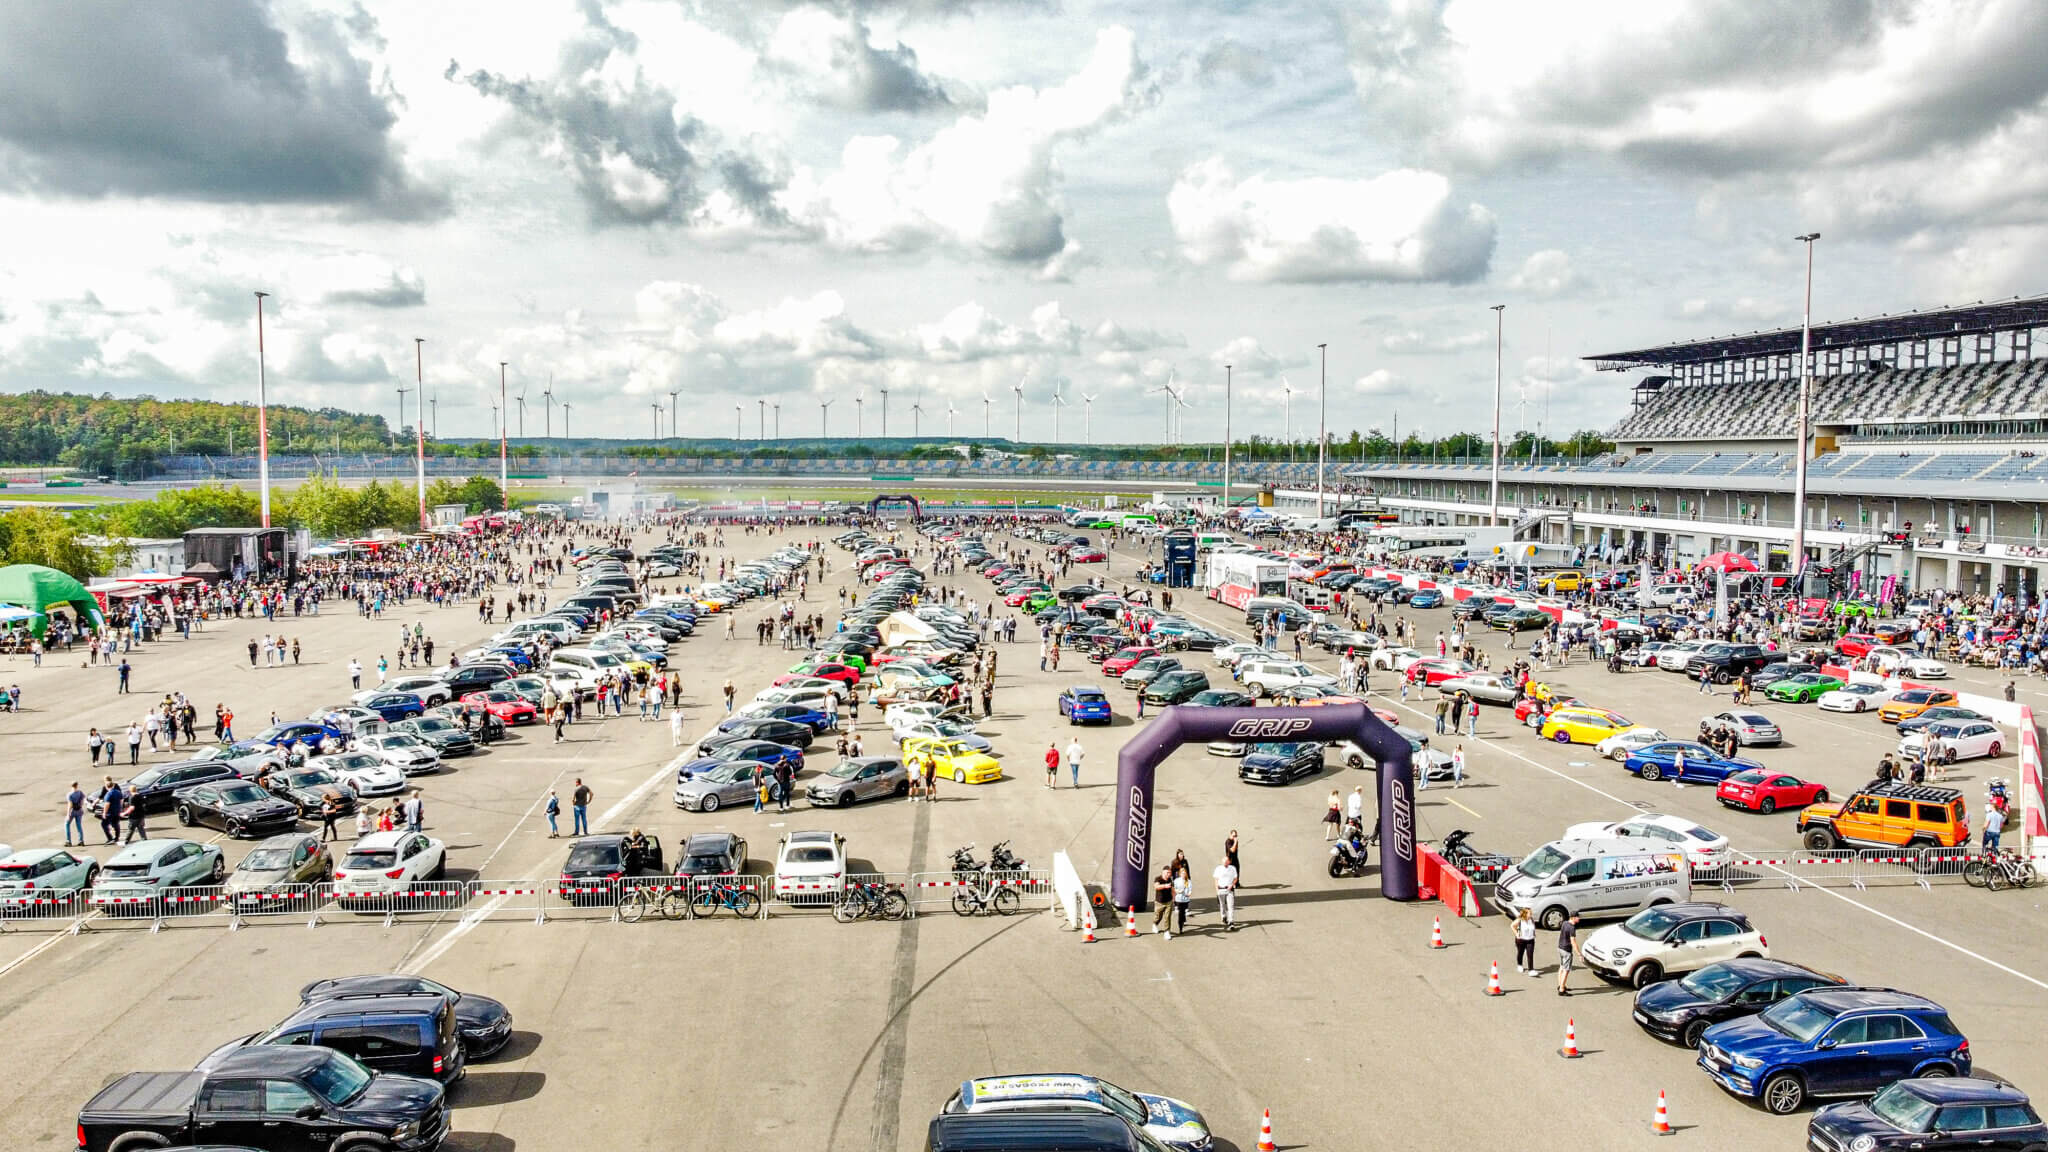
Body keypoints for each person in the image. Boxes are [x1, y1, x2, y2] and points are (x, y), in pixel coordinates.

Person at [1212, 853, 1239, 930]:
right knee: (1222, 905)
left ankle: (1231, 921)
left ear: (1229, 862)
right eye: (1224, 861)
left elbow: (1235, 878)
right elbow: (1216, 880)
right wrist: (1217, 890)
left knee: (1230, 906)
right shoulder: (1218, 869)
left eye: (1226, 861)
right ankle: (1223, 916)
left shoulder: (1232, 868)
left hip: (1229, 889)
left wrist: (1232, 885)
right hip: (1221, 889)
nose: (1225, 863)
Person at [1557, 913, 1580, 995]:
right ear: (1573, 918)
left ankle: (1560, 985)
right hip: (1567, 950)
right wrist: (1579, 954)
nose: (1579, 919)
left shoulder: (1565, 923)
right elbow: (1573, 942)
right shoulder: (1572, 928)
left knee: (1561, 967)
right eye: (1577, 917)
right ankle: (1562, 990)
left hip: (1560, 948)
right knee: (1566, 970)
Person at [1512, 907, 1538, 975]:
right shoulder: (1520, 920)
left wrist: (1533, 934)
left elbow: (1533, 927)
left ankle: (1531, 970)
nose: (1531, 914)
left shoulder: (1531, 920)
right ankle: (1519, 965)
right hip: (1521, 940)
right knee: (1520, 953)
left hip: (1530, 940)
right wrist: (1516, 934)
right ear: (1525, 914)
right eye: (1530, 913)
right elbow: (1512, 926)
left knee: (1530, 954)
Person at [1152, 865, 1176, 935]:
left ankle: (1167, 931)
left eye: (1170, 873)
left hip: (1169, 901)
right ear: (1163, 872)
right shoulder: (1158, 879)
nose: (1169, 874)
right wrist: (1165, 886)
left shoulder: (1170, 879)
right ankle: (1155, 924)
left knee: (1167, 917)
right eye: (1167, 872)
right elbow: (1156, 887)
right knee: (1158, 917)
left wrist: (1174, 899)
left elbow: (1172, 890)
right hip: (1159, 902)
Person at [63, 782, 86, 847]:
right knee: (79, 825)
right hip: (79, 810)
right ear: (77, 785)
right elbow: (82, 800)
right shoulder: (80, 792)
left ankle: (68, 841)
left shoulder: (70, 794)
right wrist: (80, 806)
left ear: (71, 786)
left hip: (72, 811)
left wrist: (68, 814)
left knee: (67, 824)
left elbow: (70, 804)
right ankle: (81, 841)